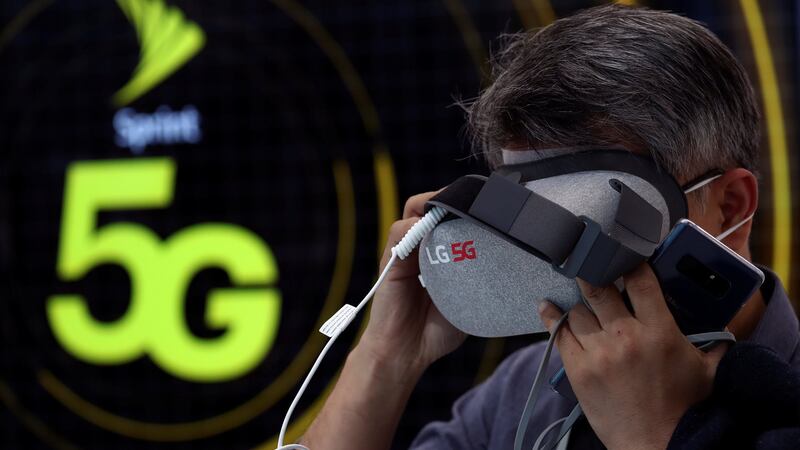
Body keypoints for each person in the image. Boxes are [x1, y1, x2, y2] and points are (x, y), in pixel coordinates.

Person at [298, 5, 800, 449]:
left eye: (586, 207)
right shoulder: (522, 393)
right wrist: (386, 357)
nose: (557, 251)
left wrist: (652, 435)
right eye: (530, 209)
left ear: (730, 206)